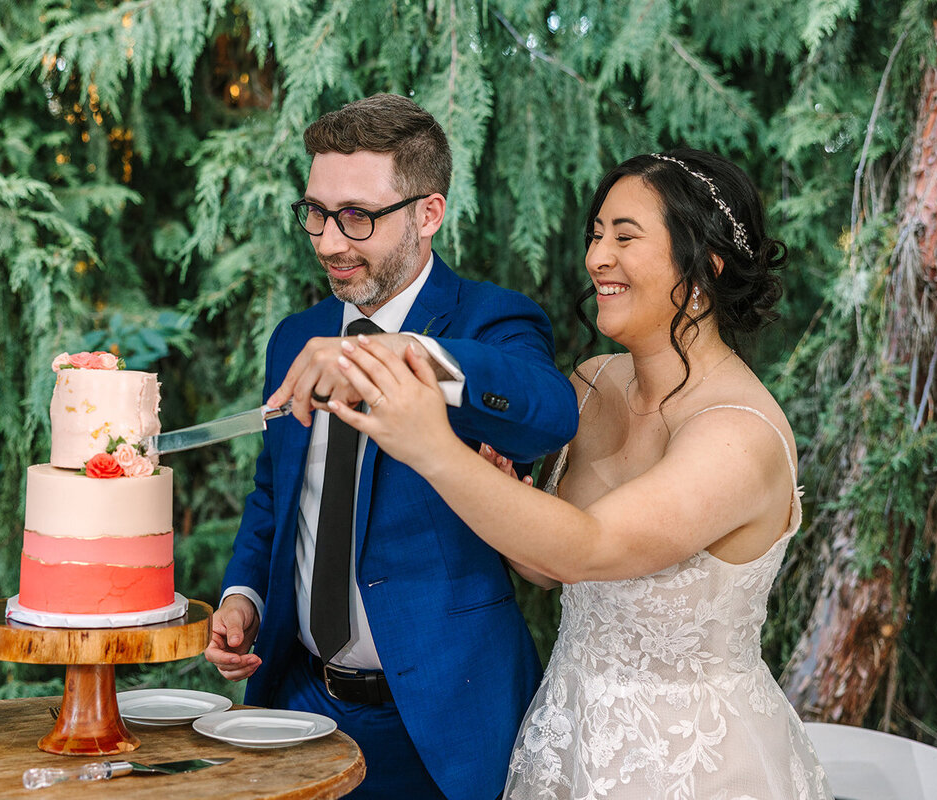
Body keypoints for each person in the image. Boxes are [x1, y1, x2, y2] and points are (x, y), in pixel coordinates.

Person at [325, 149, 834, 799]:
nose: (596, 258)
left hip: (694, 765)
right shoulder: (592, 383)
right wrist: (502, 488)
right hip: (565, 743)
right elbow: (549, 565)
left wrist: (432, 447)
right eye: (596, 235)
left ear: (706, 265)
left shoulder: (739, 434)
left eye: (625, 236)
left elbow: (593, 546)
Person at [203, 93, 579, 800]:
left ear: (427, 214)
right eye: (315, 212)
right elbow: (274, 498)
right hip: (300, 704)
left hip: (444, 717)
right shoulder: (296, 336)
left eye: (357, 218)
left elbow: (549, 410)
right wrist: (243, 597)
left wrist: (406, 355)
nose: (327, 242)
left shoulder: (490, 321)